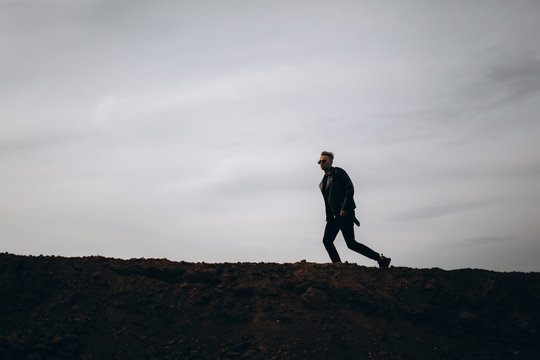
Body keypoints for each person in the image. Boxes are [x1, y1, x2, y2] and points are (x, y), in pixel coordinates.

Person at [318, 151, 391, 268]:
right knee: (327, 241)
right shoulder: (323, 182)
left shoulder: (338, 172)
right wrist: (329, 216)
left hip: (343, 214)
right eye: (320, 161)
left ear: (331, 162)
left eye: (324, 161)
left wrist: (345, 207)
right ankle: (338, 265)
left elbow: (349, 188)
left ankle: (381, 259)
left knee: (351, 244)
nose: (321, 163)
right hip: (333, 217)